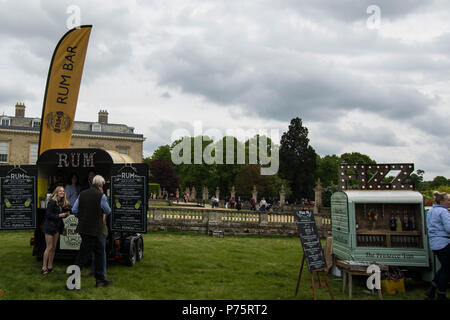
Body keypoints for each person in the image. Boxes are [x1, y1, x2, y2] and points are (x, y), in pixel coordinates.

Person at [72, 175, 113, 287]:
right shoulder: (101, 196)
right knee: (86, 255)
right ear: (100, 185)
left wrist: (83, 217)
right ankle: (72, 282)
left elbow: (74, 210)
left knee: (95, 254)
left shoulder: (82, 194)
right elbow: (108, 211)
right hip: (96, 230)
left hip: (84, 228)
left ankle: (100, 280)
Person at [425, 191, 450, 300]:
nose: (449, 202)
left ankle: (432, 288)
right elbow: (449, 228)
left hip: (434, 243)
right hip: (444, 242)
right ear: (442, 201)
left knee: (445, 266)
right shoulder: (443, 212)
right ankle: (441, 293)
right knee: (448, 269)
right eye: (448, 200)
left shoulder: (431, 211)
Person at [41, 186, 71, 274]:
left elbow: (68, 209)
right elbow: (48, 215)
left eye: (63, 191)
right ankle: (44, 267)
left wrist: (67, 213)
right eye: (60, 191)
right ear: (57, 192)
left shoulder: (61, 202)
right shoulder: (52, 202)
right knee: (49, 247)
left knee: (54, 248)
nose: (62, 192)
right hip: (49, 227)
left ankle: (50, 267)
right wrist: (59, 215)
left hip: (57, 227)